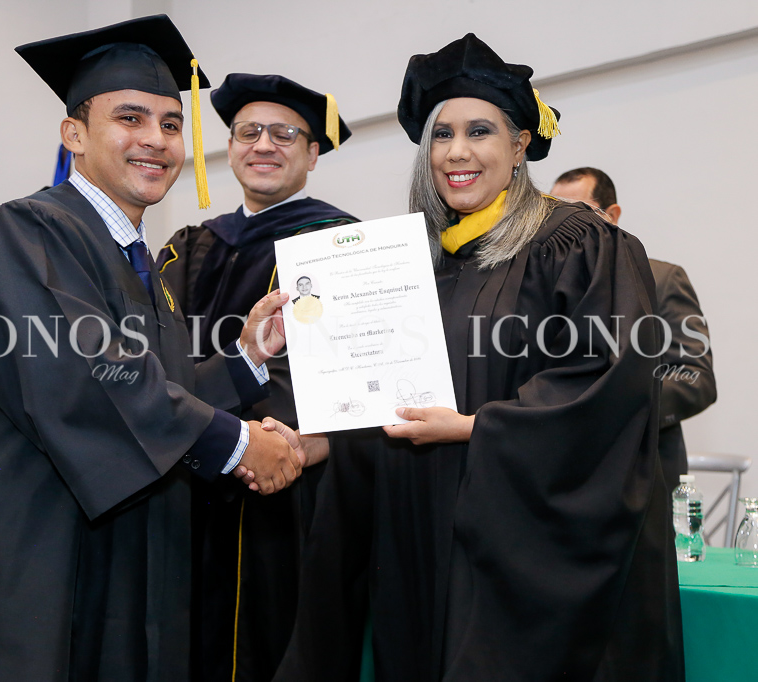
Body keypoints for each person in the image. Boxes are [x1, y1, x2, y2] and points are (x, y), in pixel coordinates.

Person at [0, 15, 304, 682]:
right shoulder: (30, 230)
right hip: (26, 559)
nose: (156, 140)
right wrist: (237, 444)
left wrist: (247, 358)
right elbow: (88, 379)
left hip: (112, 564)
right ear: (74, 134)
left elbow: (159, 386)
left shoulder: (138, 261)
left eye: (171, 124)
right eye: (130, 118)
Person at [272, 34, 683, 681]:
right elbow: (388, 396)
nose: (456, 151)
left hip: (520, 554)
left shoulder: (581, 244)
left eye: (479, 131)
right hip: (419, 538)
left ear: (520, 145)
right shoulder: (412, 264)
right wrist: (329, 441)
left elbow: (609, 384)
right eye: (441, 134)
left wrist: (472, 428)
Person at [158, 73, 356, 682]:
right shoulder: (185, 247)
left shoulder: (345, 243)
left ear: (313, 153)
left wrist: (270, 446)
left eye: (284, 134)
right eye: (248, 132)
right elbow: (157, 364)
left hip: (287, 487)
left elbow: (350, 372)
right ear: (230, 147)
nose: (263, 144)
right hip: (181, 480)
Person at [551, 167, 716, 485]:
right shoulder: (549, 285)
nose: (564, 227)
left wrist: (616, 407)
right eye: (557, 215)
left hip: (645, 471)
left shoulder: (663, 280)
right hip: (567, 471)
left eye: (578, 215)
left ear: (612, 215)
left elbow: (697, 380)